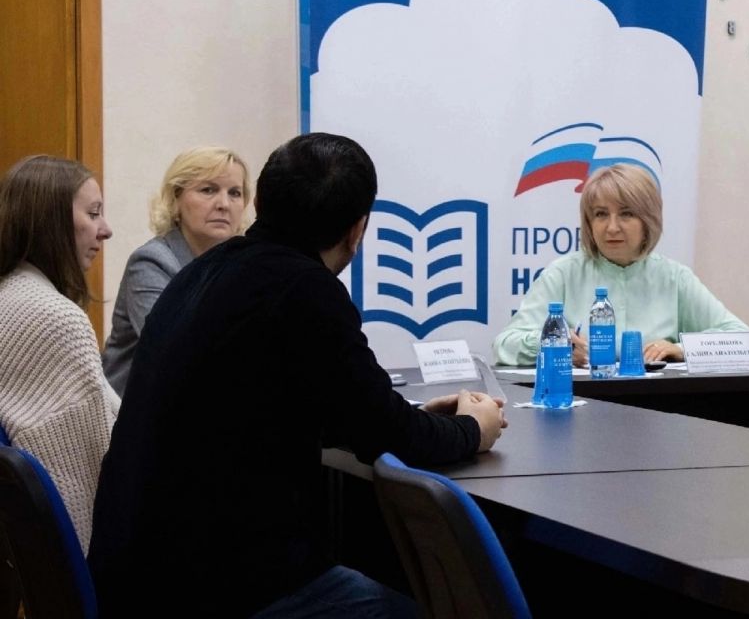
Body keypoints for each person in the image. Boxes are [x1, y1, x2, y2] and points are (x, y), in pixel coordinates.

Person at [88, 133, 506, 618]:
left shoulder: (201, 273)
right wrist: (473, 428)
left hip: (135, 578)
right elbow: (389, 435)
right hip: (216, 589)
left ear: (258, 203)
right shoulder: (305, 290)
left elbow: (272, 406)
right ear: (357, 230)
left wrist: (412, 416)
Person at [494, 163, 749, 367]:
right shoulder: (563, 274)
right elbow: (505, 345)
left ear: (648, 220)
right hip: (581, 403)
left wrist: (680, 349)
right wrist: (554, 343)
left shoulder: (674, 277)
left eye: (626, 214)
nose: (612, 227)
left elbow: (742, 339)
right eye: (601, 214)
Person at [0, 156, 119, 550]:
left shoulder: (10, 295)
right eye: (93, 213)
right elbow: (90, 480)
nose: (106, 230)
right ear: (50, 221)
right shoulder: (53, 318)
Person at [103, 146, 251, 396]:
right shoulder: (151, 261)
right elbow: (174, 352)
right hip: (136, 411)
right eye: (208, 190)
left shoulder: (241, 264)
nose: (224, 204)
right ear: (176, 199)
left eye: (234, 193)